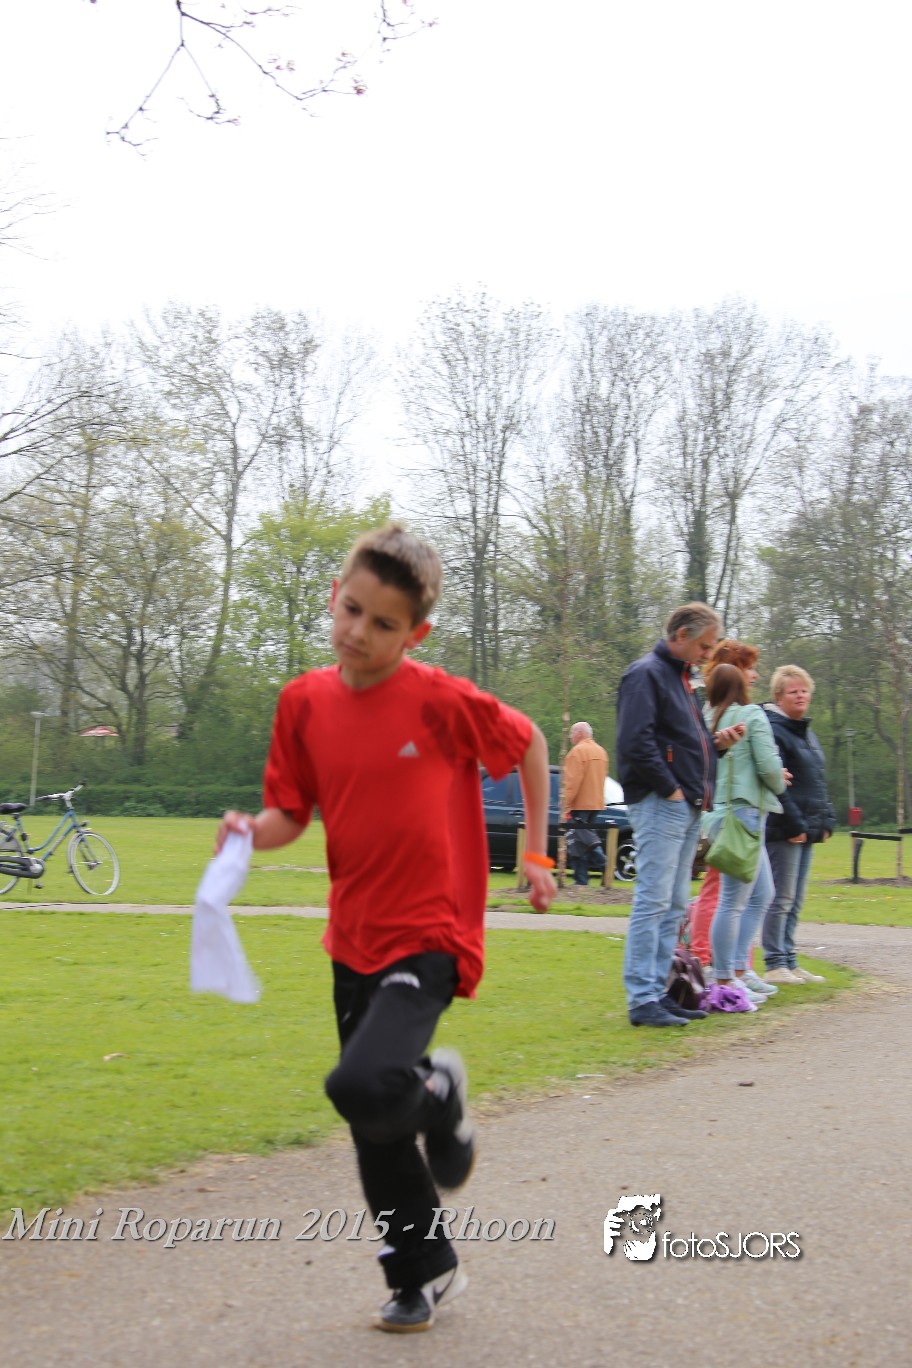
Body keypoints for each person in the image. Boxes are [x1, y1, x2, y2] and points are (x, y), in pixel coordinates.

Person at [216, 524, 556, 1333]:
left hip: (431, 932)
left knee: (360, 1084)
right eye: (351, 610)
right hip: (353, 937)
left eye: (383, 624)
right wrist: (249, 833)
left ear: (416, 634)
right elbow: (291, 812)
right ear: (335, 594)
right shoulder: (302, 703)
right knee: (372, 1121)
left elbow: (530, 742)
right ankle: (423, 1272)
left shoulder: (439, 701)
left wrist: (539, 853)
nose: (358, 632)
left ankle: (439, 1095)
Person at [615, 602, 744, 1028]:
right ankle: (642, 997)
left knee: (672, 905)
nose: (709, 655)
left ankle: (659, 992)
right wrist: (669, 788)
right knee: (653, 901)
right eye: (705, 646)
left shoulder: (681, 679)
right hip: (662, 803)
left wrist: (716, 744)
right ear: (682, 635)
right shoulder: (646, 675)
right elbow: (635, 742)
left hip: (685, 804)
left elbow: (684, 742)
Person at [702, 664, 788, 1003]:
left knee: (762, 893)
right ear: (741, 686)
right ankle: (725, 978)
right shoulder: (752, 715)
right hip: (744, 814)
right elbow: (768, 766)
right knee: (733, 900)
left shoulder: (706, 718)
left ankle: (738, 970)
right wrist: (780, 780)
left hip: (721, 814)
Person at [761, 665, 836, 985]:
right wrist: (794, 825)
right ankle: (774, 962)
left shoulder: (806, 732)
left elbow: (816, 780)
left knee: (796, 899)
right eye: (793, 691)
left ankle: (789, 960)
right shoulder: (774, 731)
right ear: (779, 696)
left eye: (804, 690)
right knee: (781, 898)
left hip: (808, 828)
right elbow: (779, 786)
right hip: (785, 830)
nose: (801, 695)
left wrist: (827, 819)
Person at [563, 721, 609, 886]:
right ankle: (583, 879)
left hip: (579, 805)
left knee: (578, 841)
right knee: (586, 839)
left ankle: (599, 865)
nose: (570, 737)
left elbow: (572, 782)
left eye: (572, 733)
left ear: (579, 734)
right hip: (596, 804)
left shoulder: (577, 752)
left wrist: (565, 804)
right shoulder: (601, 752)